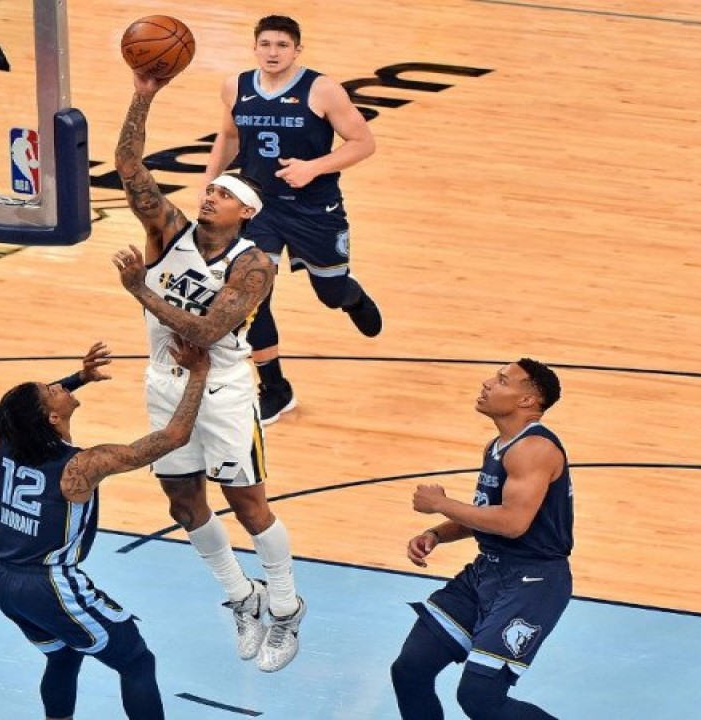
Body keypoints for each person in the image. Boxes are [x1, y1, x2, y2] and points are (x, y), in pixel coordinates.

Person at [111, 69, 307, 673]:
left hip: (221, 390)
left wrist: (139, 289)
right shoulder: (168, 231)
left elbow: (203, 333)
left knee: (246, 504)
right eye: (208, 191)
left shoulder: (254, 268)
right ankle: (240, 597)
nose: (206, 198)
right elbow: (128, 165)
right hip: (163, 383)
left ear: (245, 211)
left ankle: (285, 604)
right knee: (181, 502)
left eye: (220, 195)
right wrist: (143, 95)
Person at [0, 339, 209, 720]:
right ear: (51, 418)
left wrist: (79, 378)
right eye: (53, 390)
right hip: (49, 583)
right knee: (136, 660)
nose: (60, 387)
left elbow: (19, 411)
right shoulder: (83, 466)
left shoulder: (9, 436)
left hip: (3, 578)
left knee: (64, 656)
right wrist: (198, 373)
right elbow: (173, 437)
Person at [202, 14, 381, 425]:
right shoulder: (236, 86)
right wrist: (212, 185)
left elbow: (363, 142)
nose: (273, 52)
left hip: (313, 208)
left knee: (330, 290)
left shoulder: (322, 89)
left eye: (282, 45)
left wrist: (313, 167)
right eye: (265, 44)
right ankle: (276, 388)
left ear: (297, 50)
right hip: (258, 207)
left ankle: (351, 298)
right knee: (251, 295)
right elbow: (229, 137)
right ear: (255, 47)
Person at [392, 359, 572, 720]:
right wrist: (437, 534)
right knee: (410, 669)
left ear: (527, 401)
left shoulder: (534, 449)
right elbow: (487, 514)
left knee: (480, 698)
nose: (488, 383)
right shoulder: (498, 446)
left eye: (503, 380)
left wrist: (441, 504)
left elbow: (513, 523)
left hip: (531, 582)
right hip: (487, 573)